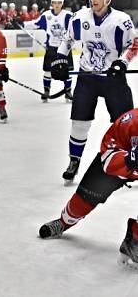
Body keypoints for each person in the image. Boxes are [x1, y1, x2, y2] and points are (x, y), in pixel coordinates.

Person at [50, 0, 137, 184]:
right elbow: (67, 39)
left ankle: (128, 164)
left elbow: (133, 45)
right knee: (79, 122)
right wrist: (61, 58)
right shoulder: (79, 18)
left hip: (112, 78)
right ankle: (74, 161)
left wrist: (122, 62)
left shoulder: (121, 20)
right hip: (87, 78)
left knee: (124, 123)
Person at [38, 108, 138, 269]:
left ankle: (135, 241)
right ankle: (64, 222)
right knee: (80, 204)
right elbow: (108, 156)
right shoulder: (131, 121)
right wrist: (129, 159)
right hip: (118, 167)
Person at [21, 0, 73, 103]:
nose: (57, 5)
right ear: (52, 4)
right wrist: (22, 23)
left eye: (59, 3)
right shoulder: (46, 15)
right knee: (48, 71)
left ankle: (68, 92)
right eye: (55, 3)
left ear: (62, 4)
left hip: (65, 48)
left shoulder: (68, 15)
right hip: (51, 48)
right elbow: (35, 23)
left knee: (67, 71)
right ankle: (46, 91)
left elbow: (78, 24)